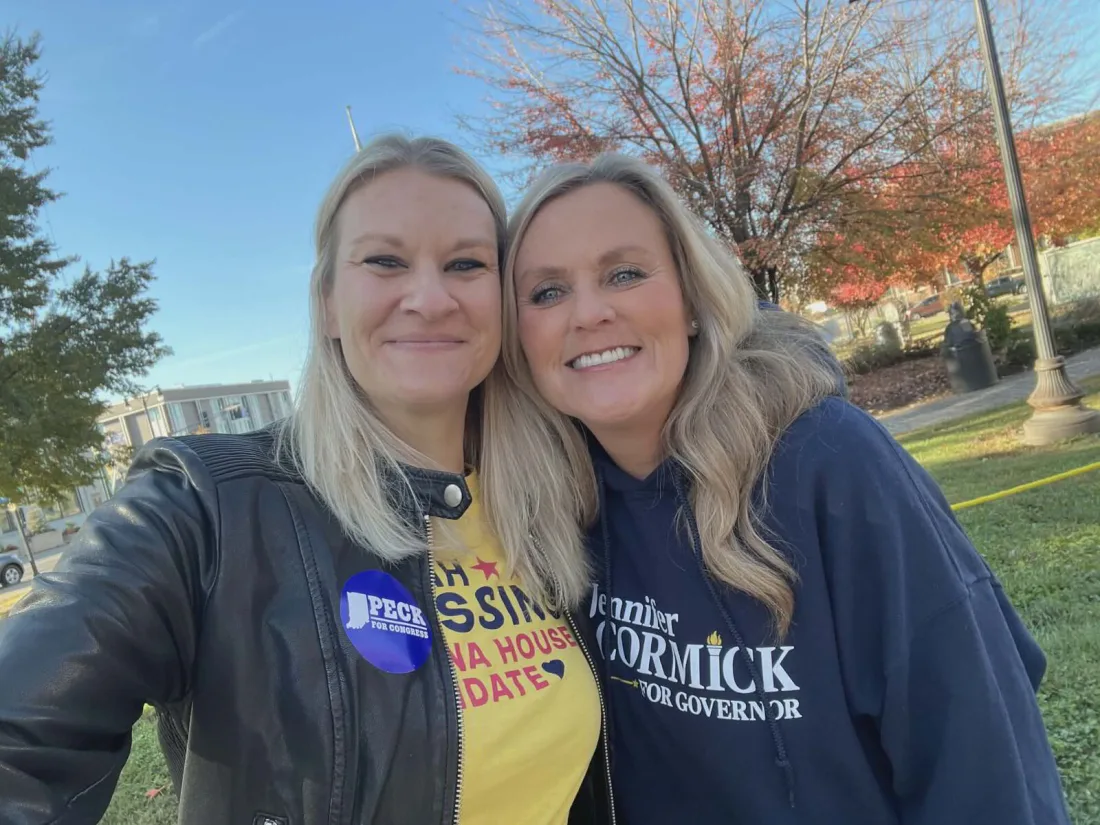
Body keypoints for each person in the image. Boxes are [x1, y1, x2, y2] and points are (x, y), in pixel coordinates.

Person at [0, 135, 611, 825]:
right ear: (325, 302)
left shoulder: (558, 491)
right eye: (385, 260)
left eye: (466, 263)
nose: (429, 296)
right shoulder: (205, 508)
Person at [499, 153, 1071, 825]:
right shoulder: (549, 510)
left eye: (624, 273)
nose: (589, 311)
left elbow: (982, 758)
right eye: (546, 292)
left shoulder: (831, 463)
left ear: (690, 299)